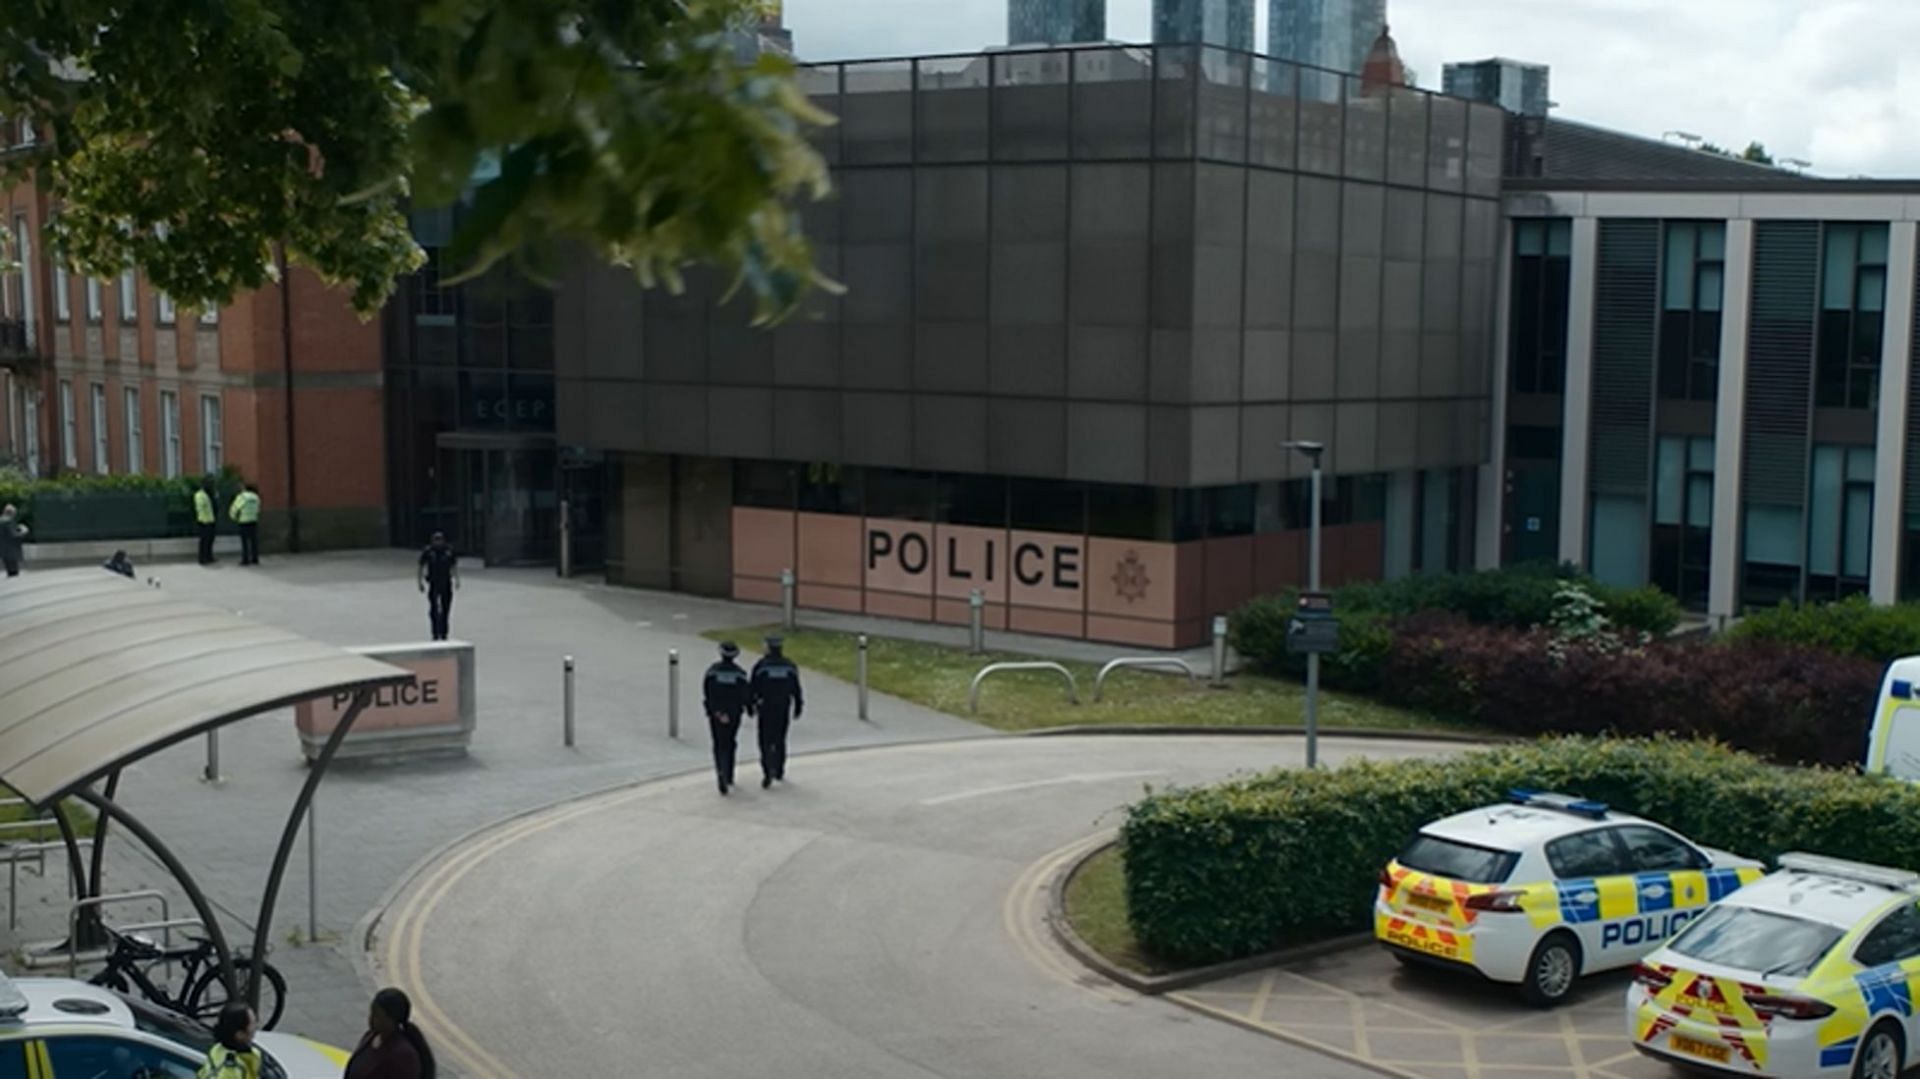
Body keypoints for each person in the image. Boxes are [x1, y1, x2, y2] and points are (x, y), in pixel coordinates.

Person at [345, 987, 436, 1079]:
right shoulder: (370, 1037)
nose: (371, 1019)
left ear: (392, 1019)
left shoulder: (403, 1056)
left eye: (378, 1016)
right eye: (372, 1013)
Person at [749, 634, 804, 789]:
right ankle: (779, 769)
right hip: (783, 707)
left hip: (765, 707)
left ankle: (767, 769)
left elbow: (753, 687)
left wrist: (750, 705)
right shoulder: (789, 666)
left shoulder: (761, 666)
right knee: (780, 739)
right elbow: (796, 688)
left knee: (765, 740)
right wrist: (798, 705)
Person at [702, 641, 752, 795]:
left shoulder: (712, 672)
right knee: (730, 742)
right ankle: (729, 774)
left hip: (717, 713)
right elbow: (746, 694)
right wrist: (749, 708)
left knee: (718, 743)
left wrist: (712, 710)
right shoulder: (740, 674)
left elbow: (707, 692)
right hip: (734, 713)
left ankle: (720, 773)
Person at [196, 1003, 262, 1079]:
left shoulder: (218, 1049)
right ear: (239, 1034)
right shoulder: (230, 1071)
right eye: (252, 1023)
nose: (256, 1026)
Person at [417, 532, 460, 641]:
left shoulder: (448, 551)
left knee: (445, 609)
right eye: (436, 540)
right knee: (434, 609)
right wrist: (420, 582)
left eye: (440, 540)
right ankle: (435, 632)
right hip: (433, 583)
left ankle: (444, 633)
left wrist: (457, 580)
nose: (438, 542)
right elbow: (421, 566)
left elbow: (454, 566)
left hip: (446, 583)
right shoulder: (428, 551)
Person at [229, 482, 262, 566]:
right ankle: (255, 558)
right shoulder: (256, 497)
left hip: (243, 521)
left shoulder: (241, 497)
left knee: (244, 542)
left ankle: (245, 559)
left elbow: (235, 508)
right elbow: (258, 509)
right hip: (253, 521)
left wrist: (233, 517)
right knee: (253, 541)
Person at [194, 476, 218, 565]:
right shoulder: (200, 495)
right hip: (203, 521)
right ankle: (202, 558)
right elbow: (200, 507)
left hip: (211, 520)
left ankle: (209, 556)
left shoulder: (210, 494)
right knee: (204, 541)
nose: (211, 485)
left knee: (210, 540)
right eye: (209, 483)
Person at [0, 504, 26, 578]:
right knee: (14, 573)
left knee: (9, 571)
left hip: (3, 550)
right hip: (11, 550)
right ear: (12, 513)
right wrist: (23, 532)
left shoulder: (1, 520)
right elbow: (13, 535)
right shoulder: (9, 521)